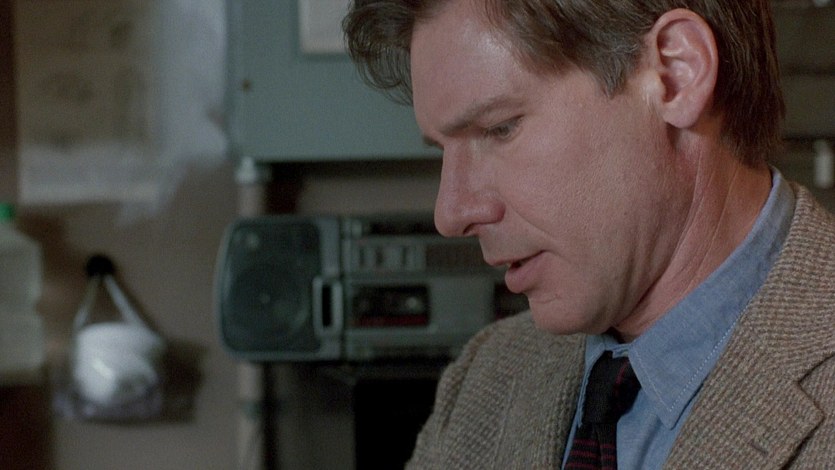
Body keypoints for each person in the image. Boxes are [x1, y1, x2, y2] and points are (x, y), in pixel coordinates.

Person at [343, 0, 834, 468]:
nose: (450, 214)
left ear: (675, 74)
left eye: (500, 128)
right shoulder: (485, 379)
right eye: (442, 150)